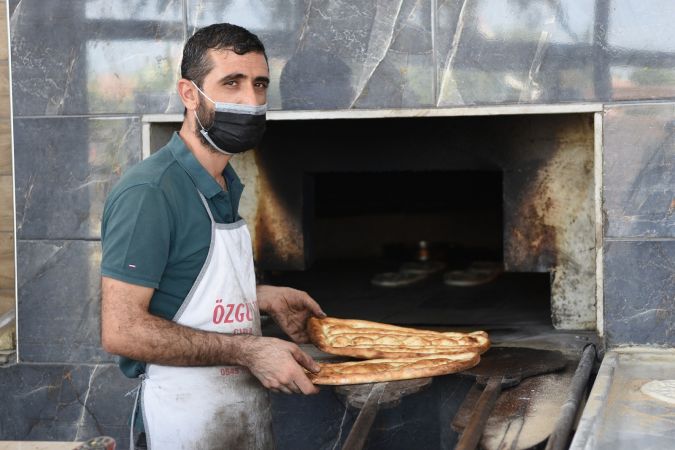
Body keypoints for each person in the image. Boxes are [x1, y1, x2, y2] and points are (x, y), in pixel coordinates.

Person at [100, 23, 325, 449]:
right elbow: (122, 330)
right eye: (231, 83)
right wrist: (249, 350)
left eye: (260, 84)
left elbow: (184, 288)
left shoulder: (223, 182)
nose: (251, 101)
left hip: (240, 417)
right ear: (189, 94)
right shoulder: (150, 192)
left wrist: (260, 297)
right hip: (183, 420)